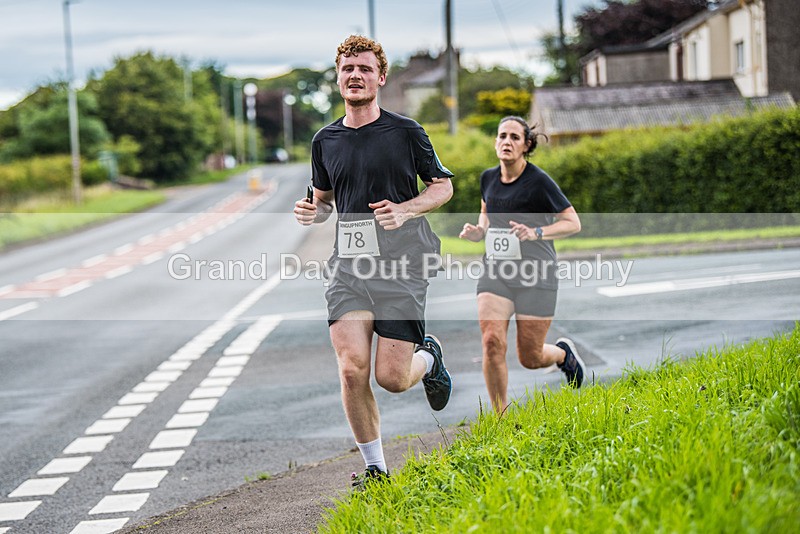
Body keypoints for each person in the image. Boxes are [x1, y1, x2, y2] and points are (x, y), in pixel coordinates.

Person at [293, 35, 454, 488]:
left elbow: (442, 186)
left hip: (404, 263)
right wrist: (313, 211)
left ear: (380, 77)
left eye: (364, 69)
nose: (355, 76)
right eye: (348, 69)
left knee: (391, 377)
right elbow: (324, 200)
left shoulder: (406, 131)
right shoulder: (325, 140)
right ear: (338, 78)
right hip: (350, 265)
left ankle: (430, 359)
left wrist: (406, 208)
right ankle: (377, 469)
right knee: (351, 368)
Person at [458, 116, 585, 414]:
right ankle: (500, 417)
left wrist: (536, 232)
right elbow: (486, 213)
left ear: (526, 145)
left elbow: (572, 222)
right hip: (497, 271)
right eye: (502, 136)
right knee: (491, 342)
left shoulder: (539, 181)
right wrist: (480, 230)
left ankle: (562, 355)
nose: (506, 141)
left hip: (536, 273)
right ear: (495, 142)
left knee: (530, 357)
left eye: (515, 137)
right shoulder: (488, 178)